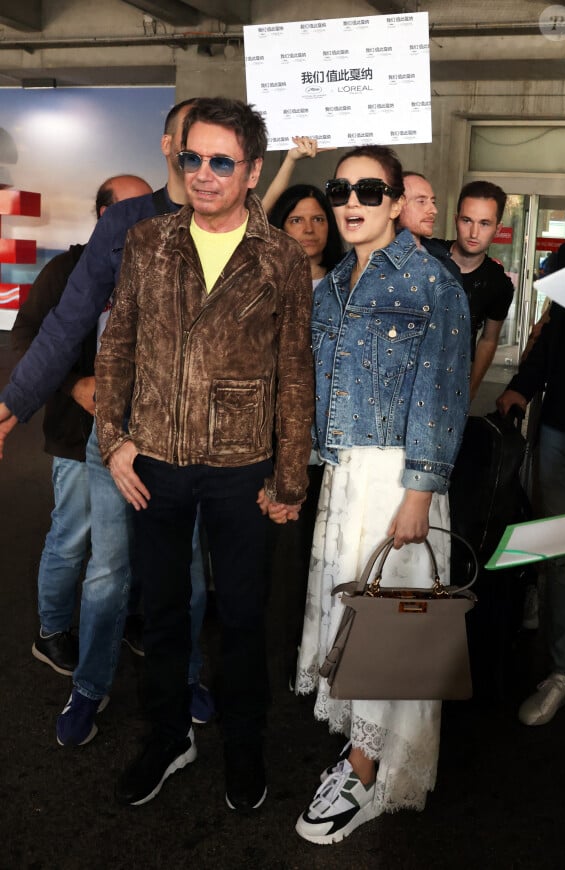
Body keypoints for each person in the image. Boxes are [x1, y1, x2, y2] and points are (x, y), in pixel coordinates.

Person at [94, 96, 314, 811]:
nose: (205, 175)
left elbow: (295, 370)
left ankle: (244, 743)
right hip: (153, 460)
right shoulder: (147, 241)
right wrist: (114, 441)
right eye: (194, 158)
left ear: (252, 172)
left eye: (223, 162)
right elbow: (118, 342)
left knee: (245, 617)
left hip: (242, 467)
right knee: (160, 613)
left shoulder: (280, 256)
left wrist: (289, 477)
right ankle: (166, 737)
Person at [0, 98, 213, 745]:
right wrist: (12, 405)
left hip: (195, 440)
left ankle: (187, 675)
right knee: (107, 573)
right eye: (190, 143)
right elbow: (65, 324)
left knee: (190, 574)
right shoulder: (124, 222)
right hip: (114, 434)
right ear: (168, 145)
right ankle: (89, 688)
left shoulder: (235, 224)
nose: (202, 159)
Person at [294, 144, 471, 845]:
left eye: (371, 190)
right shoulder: (336, 280)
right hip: (346, 474)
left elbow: (444, 391)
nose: (352, 203)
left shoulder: (433, 283)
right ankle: (360, 748)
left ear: (398, 202)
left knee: (393, 623)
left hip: (399, 476)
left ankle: (370, 770)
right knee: (356, 611)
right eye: (341, 190)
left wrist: (421, 493)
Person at [11, 174, 153, 677]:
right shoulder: (67, 269)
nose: (148, 215)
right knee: (73, 535)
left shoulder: (160, 264)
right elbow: (28, 339)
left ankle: (130, 620)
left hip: (142, 438)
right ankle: (52, 632)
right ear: (104, 215)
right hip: (76, 433)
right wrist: (73, 386)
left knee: (132, 539)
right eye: (133, 207)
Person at [497, 235, 565, 726]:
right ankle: (563, 673)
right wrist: (520, 388)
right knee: (563, 552)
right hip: (564, 433)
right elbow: (554, 334)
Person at [268, 183, 343, 685]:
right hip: (276, 434)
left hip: (332, 438)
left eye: (319, 219)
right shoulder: (265, 280)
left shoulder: (346, 282)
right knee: (280, 553)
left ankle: (314, 656)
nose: (310, 229)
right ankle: (275, 656)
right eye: (297, 219)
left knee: (325, 551)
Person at [441, 180, 514, 400]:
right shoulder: (428, 256)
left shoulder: (498, 284)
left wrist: (469, 391)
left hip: (453, 380)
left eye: (484, 223)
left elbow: (489, 339)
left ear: (497, 229)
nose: (474, 232)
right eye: (467, 220)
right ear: (456, 220)